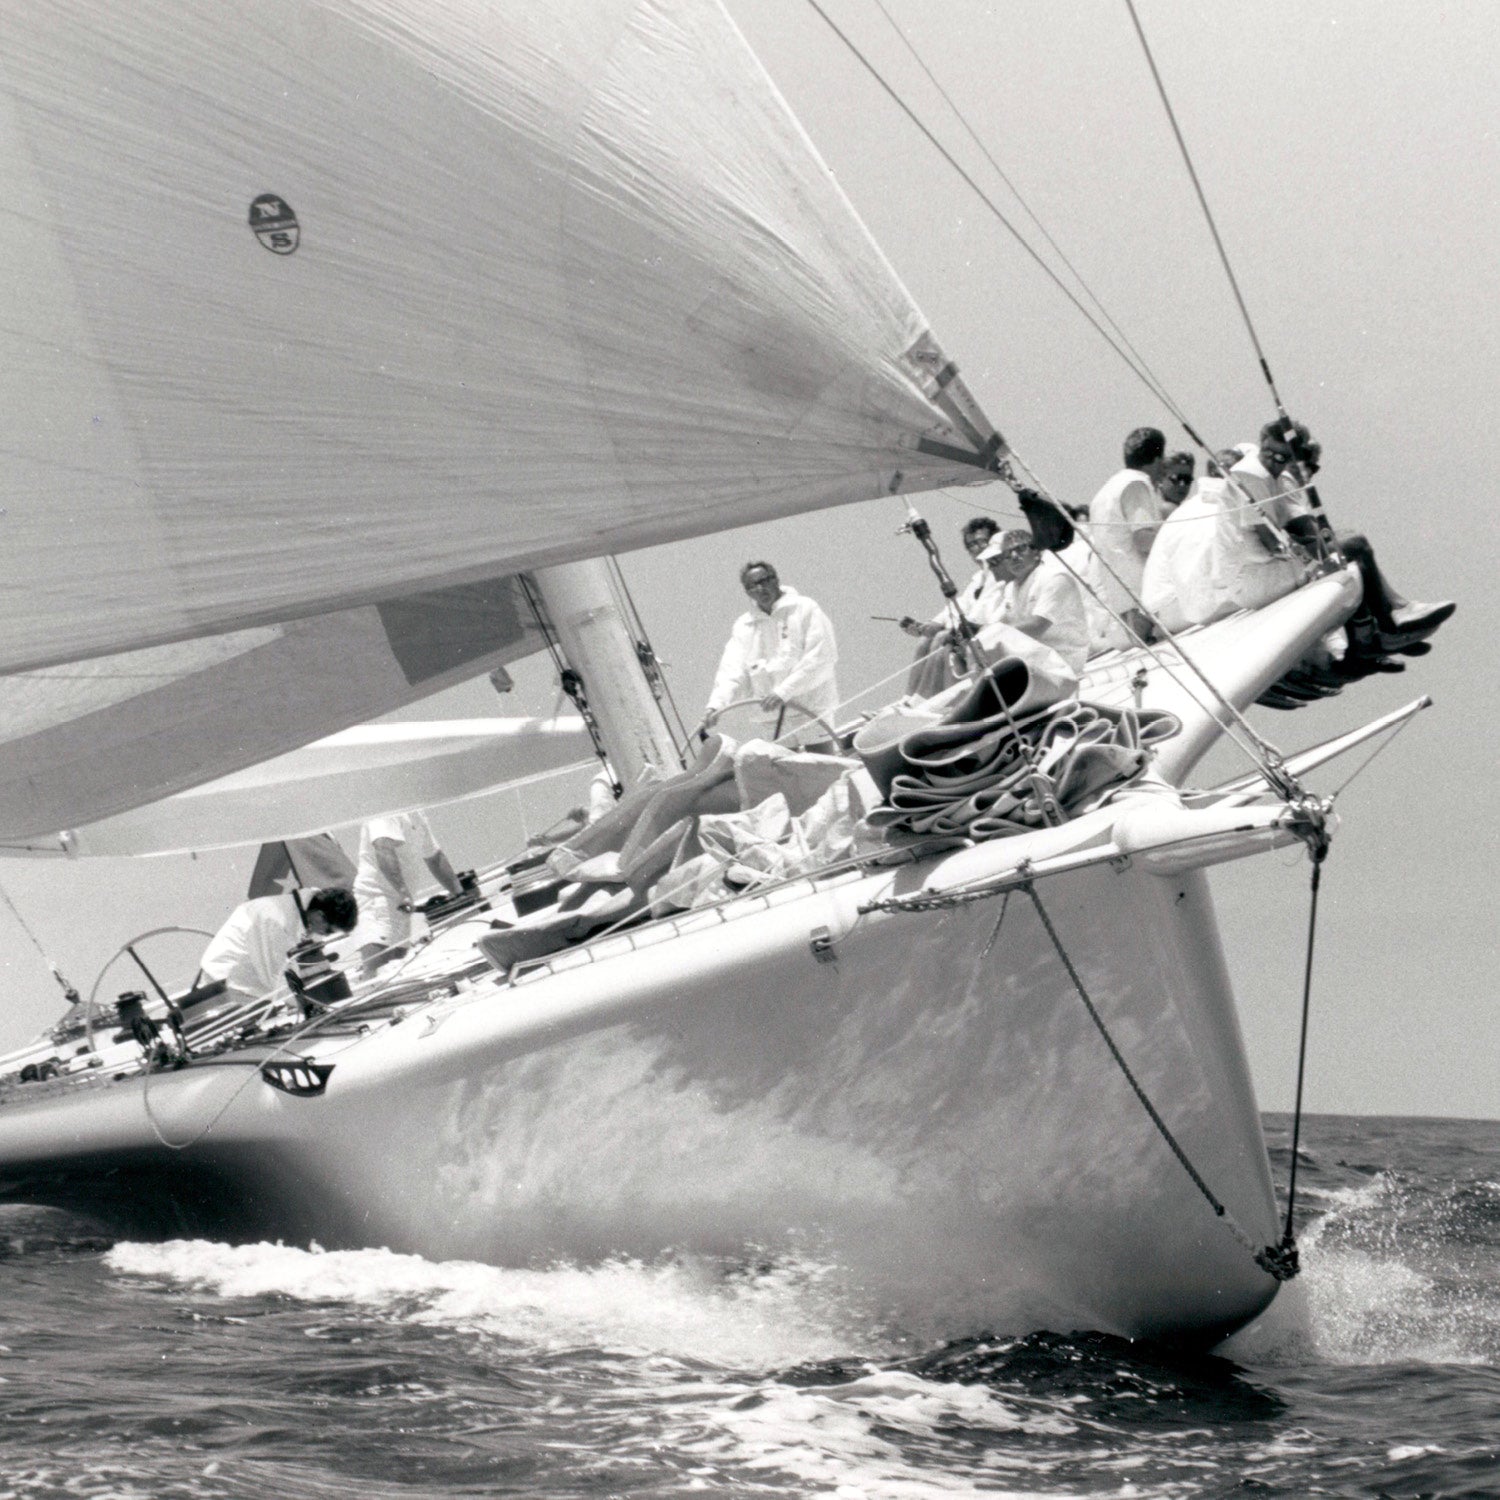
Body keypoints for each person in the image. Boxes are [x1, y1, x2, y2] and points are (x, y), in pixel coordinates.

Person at [698, 562, 839, 751]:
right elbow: (731, 671)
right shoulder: (744, 626)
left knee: (823, 763)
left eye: (764, 581)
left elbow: (821, 656)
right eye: (752, 586)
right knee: (785, 766)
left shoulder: (804, 608)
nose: (760, 588)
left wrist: (783, 692)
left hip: (810, 711)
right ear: (747, 592)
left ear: (776, 580)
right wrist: (716, 705)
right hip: (771, 719)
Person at [1082, 426, 1172, 647]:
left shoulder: (1103, 493)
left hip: (1122, 604)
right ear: (1158, 458)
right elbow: (1144, 539)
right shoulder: (1135, 484)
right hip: (1146, 599)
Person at [199, 886, 358, 1008]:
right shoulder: (274, 919)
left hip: (255, 990)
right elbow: (277, 978)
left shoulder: (304, 918)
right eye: (329, 931)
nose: (325, 935)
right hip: (227, 989)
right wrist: (315, 1006)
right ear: (320, 916)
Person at [899, 515, 1000, 695]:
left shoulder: (1001, 574)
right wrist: (931, 625)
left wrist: (947, 629)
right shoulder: (978, 580)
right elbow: (958, 606)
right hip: (970, 633)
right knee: (925, 640)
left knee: (941, 638)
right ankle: (909, 697)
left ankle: (924, 696)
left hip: (988, 634)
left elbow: (981, 613)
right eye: (971, 545)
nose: (977, 549)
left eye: (981, 542)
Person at [353, 810, 463, 973]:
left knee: (398, 966)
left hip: (402, 904)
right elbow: (383, 848)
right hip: (377, 901)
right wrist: (403, 892)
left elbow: (434, 856)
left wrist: (460, 894)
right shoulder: (384, 809)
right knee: (378, 969)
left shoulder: (415, 812)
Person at [974, 529, 1090, 673]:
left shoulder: (1054, 577)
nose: (1014, 556)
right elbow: (998, 622)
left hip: (1066, 659)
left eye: (1021, 549)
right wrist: (979, 639)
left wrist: (992, 637)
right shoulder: (1011, 588)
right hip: (1038, 659)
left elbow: (1036, 626)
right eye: (1007, 555)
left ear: (1036, 552)